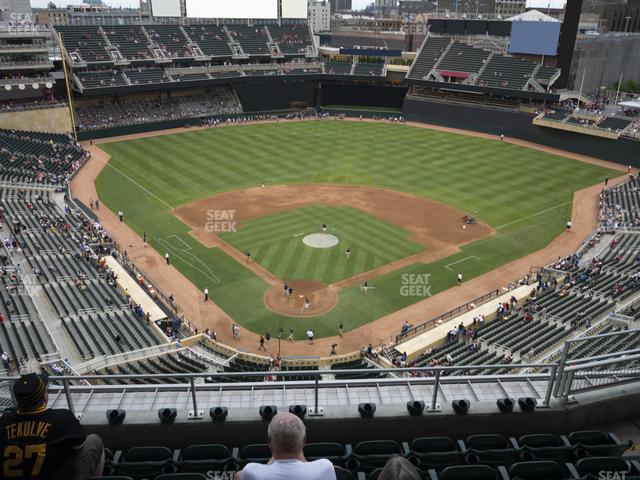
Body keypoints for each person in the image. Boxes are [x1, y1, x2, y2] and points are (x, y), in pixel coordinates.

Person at [0, 373, 105, 480]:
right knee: (94, 440)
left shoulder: (3, 422)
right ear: (45, 396)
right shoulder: (63, 418)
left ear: (17, 401)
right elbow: (79, 446)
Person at [236, 412, 336, 480]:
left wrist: (274, 455)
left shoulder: (252, 472)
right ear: (304, 441)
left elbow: (238, 476)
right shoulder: (325, 468)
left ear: (270, 442)